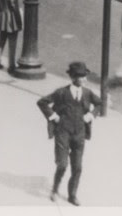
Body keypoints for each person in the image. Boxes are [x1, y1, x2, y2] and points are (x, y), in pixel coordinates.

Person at [36, 61, 102, 205]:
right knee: (62, 164)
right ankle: (55, 189)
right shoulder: (61, 92)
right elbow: (42, 102)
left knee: (77, 167)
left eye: (85, 76)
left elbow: (99, 103)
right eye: (82, 76)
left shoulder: (87, 93)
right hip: (63, 133)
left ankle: (72, 195)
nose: (85, 79)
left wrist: (90, 115)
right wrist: (54, 116)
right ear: (73, 77)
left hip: (79, 134)